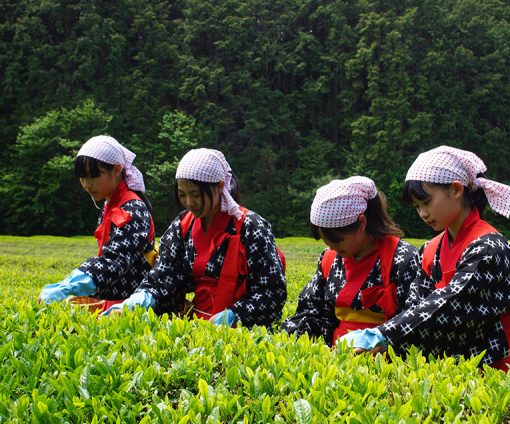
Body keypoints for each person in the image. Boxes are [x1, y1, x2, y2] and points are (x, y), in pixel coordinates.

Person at [339, 146, 510, 371]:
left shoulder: (491, 249)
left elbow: (447, 306)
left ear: (456, 190)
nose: (423, 214)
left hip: (492, 374)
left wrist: (384, 333)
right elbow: (414, 310)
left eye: (426, 202)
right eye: (417, 207)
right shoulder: (430, 250)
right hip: (446, 372)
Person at [104, 148, 287, 328]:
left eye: (196, 195)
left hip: (242, 329)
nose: (189, 203)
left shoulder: (252, 227)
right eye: (182, 195)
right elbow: (164, 274)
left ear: (220, 186)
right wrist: (140, 299)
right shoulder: (183, 225)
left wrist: (234, 316)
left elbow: (273, 292)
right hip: (195, 325)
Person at [281, 176, 420, 346]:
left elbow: (415, 319)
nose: (332, 248)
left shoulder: (403, 259)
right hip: (335, 358)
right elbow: (310, 311)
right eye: (327, 242)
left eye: (338, 241)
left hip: (382, 360)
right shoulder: (329, 259)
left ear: (362, 222)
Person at [38, 135, 156, 311]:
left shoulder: (132, 210)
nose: (86, 184)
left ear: (116, 170)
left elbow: (114, 262)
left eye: (93, 176)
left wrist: (68, 286)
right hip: (113, 298)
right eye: (82, 177)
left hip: (130, 305)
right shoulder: (111, 205)